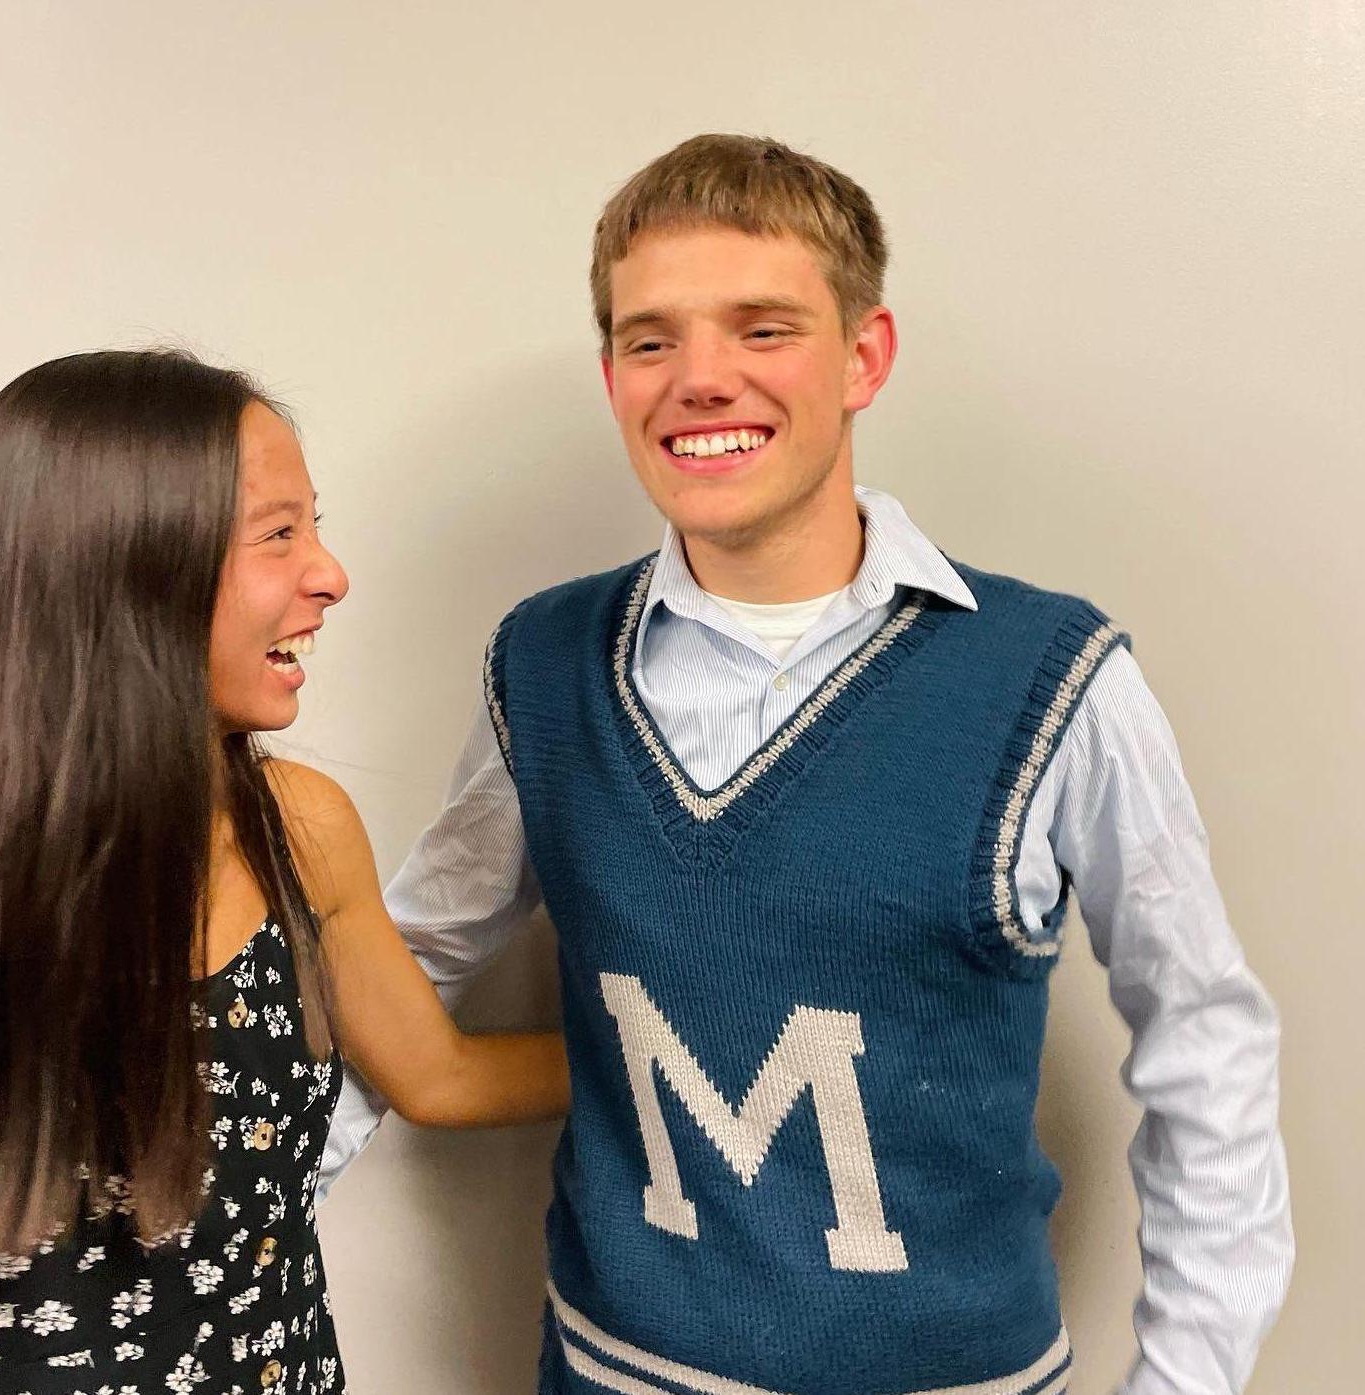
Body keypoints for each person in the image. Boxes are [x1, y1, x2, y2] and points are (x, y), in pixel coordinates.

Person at [320, 135, 1293, 1395]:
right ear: (611, 372)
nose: (700, 379)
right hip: (606, 1372)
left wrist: (1187, 1382)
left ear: (863, 357)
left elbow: (1205, 1040)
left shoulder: (1055, 678)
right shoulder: (545, 663)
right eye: (650, 339)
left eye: (763, 329)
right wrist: (196, 1228)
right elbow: (409, 964)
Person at [0, 349, 569, 1394]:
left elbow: (437, 1077)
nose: (329, 574)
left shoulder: (300, 828)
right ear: (127, 561)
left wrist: (683, 1042)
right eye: (278, 535)